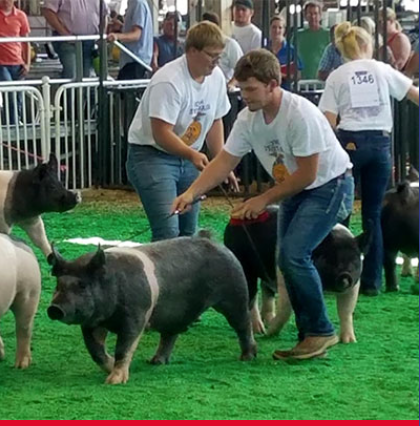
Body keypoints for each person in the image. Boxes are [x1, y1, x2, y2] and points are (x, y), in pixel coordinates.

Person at [172, 49, 354, 360]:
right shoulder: (247, 119)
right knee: (286, 257)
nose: (244, 96)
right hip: (298, 189)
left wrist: (262, 199)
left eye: (251, 89)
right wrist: (190, 193)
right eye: (241, 89)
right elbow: (225, 161)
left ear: (273, 84)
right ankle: (309, 336)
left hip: (330, 184)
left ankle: (321, 330)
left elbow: (308, 174)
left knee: (295, 254)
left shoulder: (300, 114)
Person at [319, 22, 419, 296]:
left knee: (343, 212)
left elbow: (327, 119)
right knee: (373, 215)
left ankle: (340, 272)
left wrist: (334, 147)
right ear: (367, 46)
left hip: (349, 143)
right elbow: (413, 95)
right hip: (380, 144)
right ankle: (373, 282)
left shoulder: (337, 75)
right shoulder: (381, 69)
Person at [126, 21, 238, 242]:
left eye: (219, 56)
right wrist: (192, 154)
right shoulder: (168, 81)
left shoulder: (215, 78)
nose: (216, 62)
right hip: (152, 155)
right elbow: (161, 133)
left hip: (189, 158)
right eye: (211, 55)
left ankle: (186, 277)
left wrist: (222, 161)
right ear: (192, 51)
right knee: (167, 231)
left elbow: (215, 120)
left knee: (188, 231)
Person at [42, 0, 107, 79]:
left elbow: (104, 14)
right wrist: (65, 34)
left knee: (87, 76)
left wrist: (101, 34)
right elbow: (48, 11)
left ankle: (83, 91)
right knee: (71, 75)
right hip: (67, 40)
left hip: (90, 40)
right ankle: (70, 90)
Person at [0, 0, 30, 124]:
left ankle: (15, 124)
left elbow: (26, 42)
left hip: (17, 61)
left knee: (18, 96)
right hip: (1, 63)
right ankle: (13, 126)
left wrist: (27, 63)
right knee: (10, 95)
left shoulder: (21, 16)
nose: (6, 1)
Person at [107, 0, 153, 80]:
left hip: (135, 62)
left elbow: (136, 35)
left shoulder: (138, 4)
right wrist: (121, 27)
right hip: (130, 61)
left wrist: (117, 36)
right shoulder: (133, 4)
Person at [296, 1, 330, 80]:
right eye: (310, 13)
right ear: (305, 16)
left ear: (320, 15)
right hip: (302, 80)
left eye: (315, 13)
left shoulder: (328, 34)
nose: (313, 16)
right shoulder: (298, 35)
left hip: (323, 80)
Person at [269, 15, 302, 89]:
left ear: (284, 30)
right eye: (274, 27)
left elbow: (298, 75)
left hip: (286, 90)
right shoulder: (264, 49)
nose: (277, 30)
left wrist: (283, 75)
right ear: (270, 28)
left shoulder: (291, 50)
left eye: (280, 27)